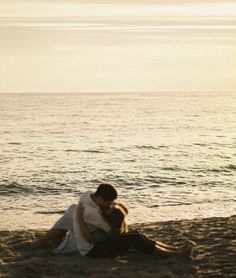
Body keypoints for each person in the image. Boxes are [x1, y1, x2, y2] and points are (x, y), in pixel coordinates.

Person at [78, 203, 192, 258]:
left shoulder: (105, 220)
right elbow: (90, 239)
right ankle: (173, 254)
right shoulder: (100, 221)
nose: (110, 206)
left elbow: (123, 210)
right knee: (135, 238)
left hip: (103, 246)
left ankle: (173, 249)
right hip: (96, 251)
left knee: (136, 234)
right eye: (110, 208)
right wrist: (79, 218)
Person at [34, 183, 118, 255]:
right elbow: (109, 229)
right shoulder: (93, 213)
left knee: (68, 217)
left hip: (72, 215)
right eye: (109, 202)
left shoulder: (87, 194)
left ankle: (44, 240)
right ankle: (45, 241)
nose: (111, 204)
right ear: (100, 199)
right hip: (83, 228)